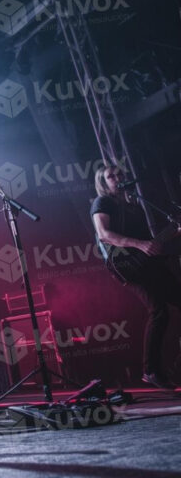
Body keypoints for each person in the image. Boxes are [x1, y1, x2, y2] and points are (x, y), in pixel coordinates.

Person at [90, 165, 181, 389]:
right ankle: (151, 370)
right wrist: (140, 244)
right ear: (103, 182)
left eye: (120, 174)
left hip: (148, 262)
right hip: (125, 265)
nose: (118, 178)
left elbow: (150, 242)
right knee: (158, 310)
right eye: (111, 176)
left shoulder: (134, 206)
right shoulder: (103, 203)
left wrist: (174, 232)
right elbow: (104, 235)